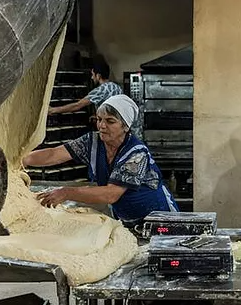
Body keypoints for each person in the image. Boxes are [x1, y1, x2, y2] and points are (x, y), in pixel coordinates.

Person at [24, 94, 179, 227]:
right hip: (126, 220)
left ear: (125, 126)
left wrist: (66, 193)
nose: (102, 126)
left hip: (160, 220)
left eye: (110, 121)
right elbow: (53, 154)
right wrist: (21, 160)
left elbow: (111, 194)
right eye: (99, 119)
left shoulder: (136, 153)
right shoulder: (92, 142)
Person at [48, 61, 123, 115]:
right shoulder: (117, 87)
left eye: (93, 75)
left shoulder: (101, 90)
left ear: (98, 76)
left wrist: (53, 110)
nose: (92, 77)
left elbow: (77, 105)